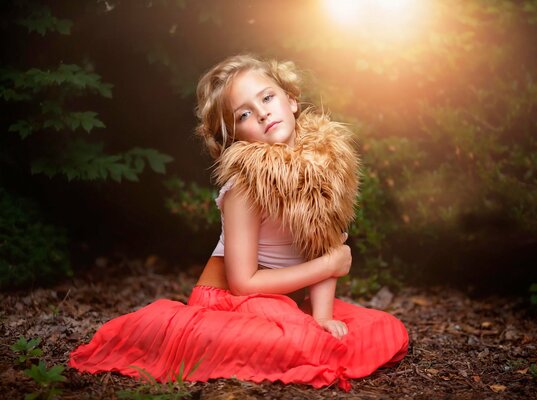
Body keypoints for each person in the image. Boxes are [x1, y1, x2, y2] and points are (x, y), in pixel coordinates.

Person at [69, 55, 409, 391]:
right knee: (303, 343)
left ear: (291, 100)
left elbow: (320, 248)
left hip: (281, 304)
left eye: (267, 97)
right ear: (235, 136)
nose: (262, 112)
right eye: (244, 113)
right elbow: (244, 283)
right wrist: (329, 265)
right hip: (229, 301)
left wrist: (321, 317)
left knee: (382, 329)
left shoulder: (323, 171)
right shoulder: (245, 187)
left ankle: (305, 330)